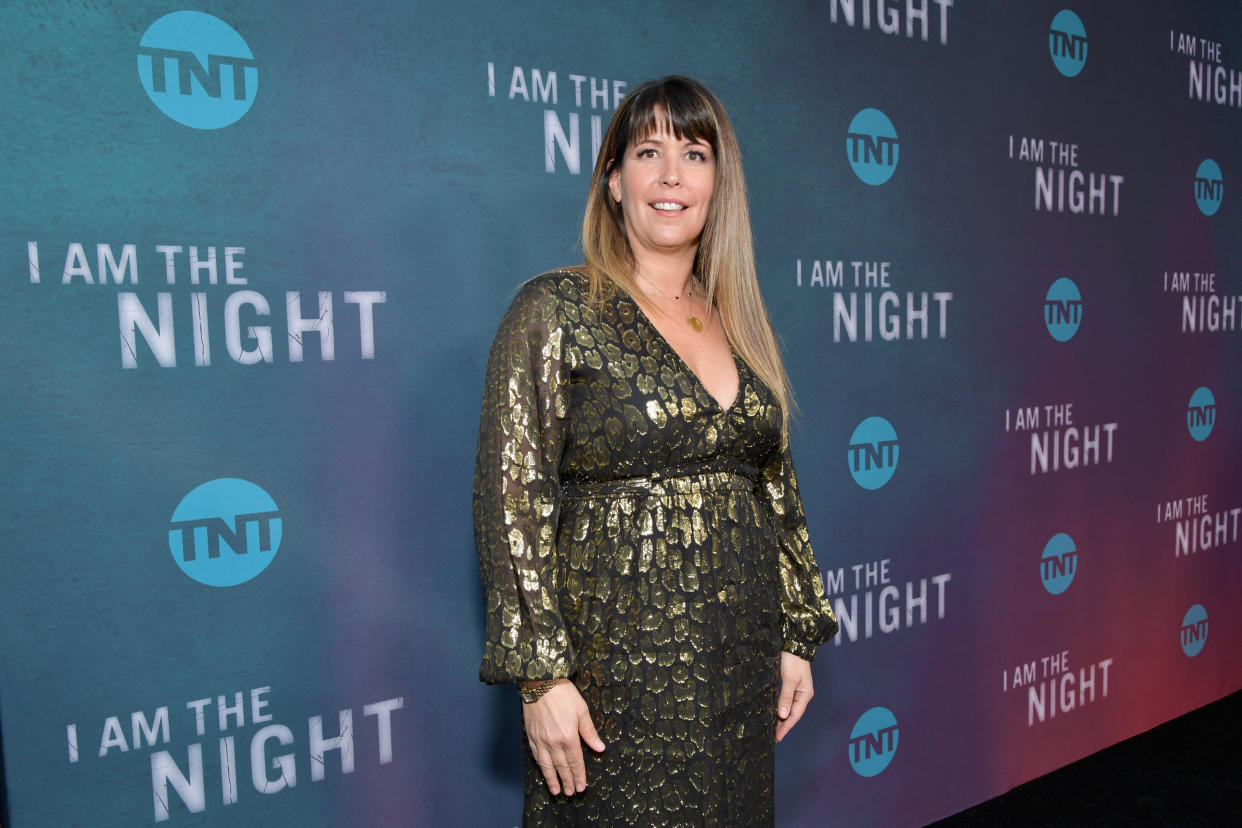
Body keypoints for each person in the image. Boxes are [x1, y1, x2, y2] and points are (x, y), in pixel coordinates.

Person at [474, 75, 838, 826]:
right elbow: (513, 500)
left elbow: (774, 488)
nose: (673, 176)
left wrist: (794, 633)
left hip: (737, 668)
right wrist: (542, 679)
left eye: (695, 154)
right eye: (649, 152)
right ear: (613, 180)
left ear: (718, 181)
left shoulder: (738, 320)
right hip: (613, 684)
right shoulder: (554, 310)